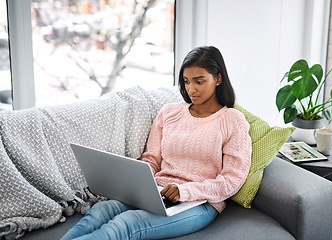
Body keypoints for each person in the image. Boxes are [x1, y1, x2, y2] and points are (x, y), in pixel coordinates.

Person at [61, 46, 252, 240]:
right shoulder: (169, 112)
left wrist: (184, 191)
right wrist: (135, 182)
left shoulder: (233, 120)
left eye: (199, 82)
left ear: (218, 79)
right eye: (186, 81)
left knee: (124, 225)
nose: (191, 89)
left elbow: (231, 181)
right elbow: (152, 159)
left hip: (200, 203)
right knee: (101, 210)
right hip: (156, 194)